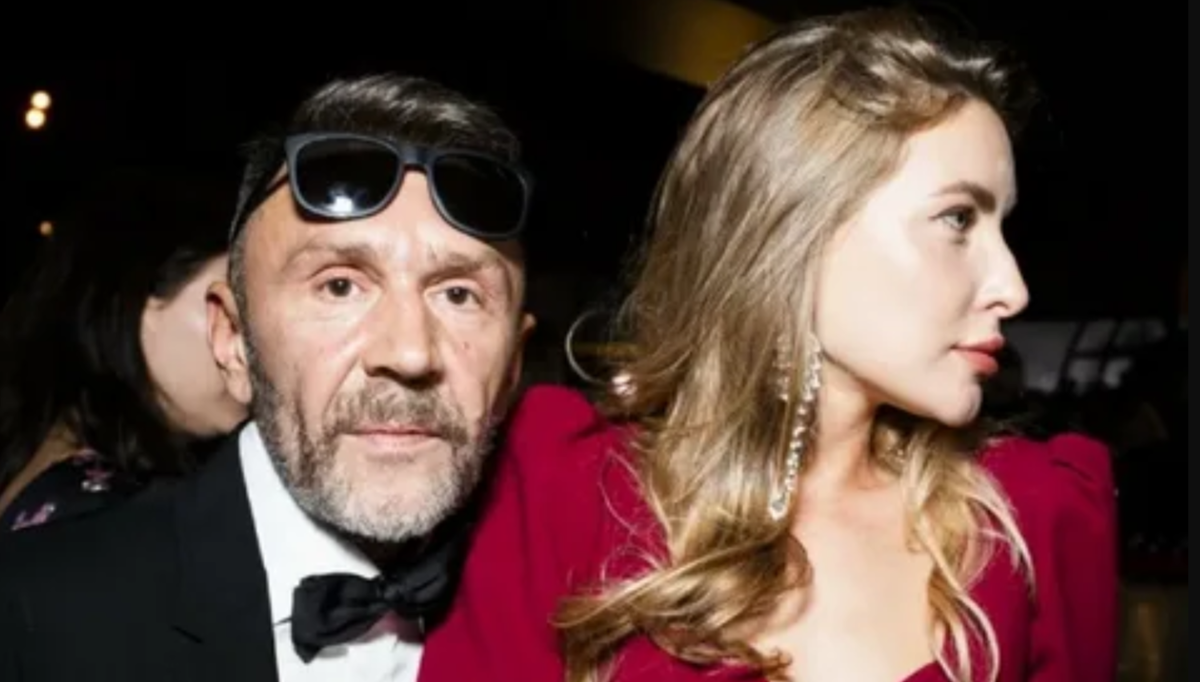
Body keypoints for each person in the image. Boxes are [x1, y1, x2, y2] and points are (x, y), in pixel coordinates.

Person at [424, 8, 1117, 682]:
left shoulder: (1035, 518)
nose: (1012, 287)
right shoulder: (567, 488)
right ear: (797, 229)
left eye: (1003, 226)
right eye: (958, 219)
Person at [0, 73, 535, 682]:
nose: (410, 353)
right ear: (232, 342)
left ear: (513, 364)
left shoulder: (574, 620)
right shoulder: (35, 615)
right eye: (340, 286)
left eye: (459, 295)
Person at [0, 169, 247, 531]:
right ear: (138, 296)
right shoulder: (106, 518)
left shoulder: (45, 457)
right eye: (232, 314)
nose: (252, 351)